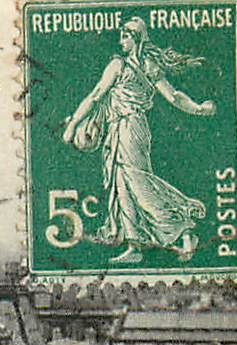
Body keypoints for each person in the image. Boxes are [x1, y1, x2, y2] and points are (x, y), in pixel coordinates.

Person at [62, 17, 215, 264]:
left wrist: (72, 126)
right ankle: (135, 245)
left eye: (125, 36)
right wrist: (198, 108)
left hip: (130, 128)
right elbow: (172, 96)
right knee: (122, 184)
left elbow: (97, 95)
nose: (120, 40)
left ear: (136, 38)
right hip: (121, 128)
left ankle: (183, 228)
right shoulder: (142, 65)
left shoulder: (123, 65)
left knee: (136, 181)